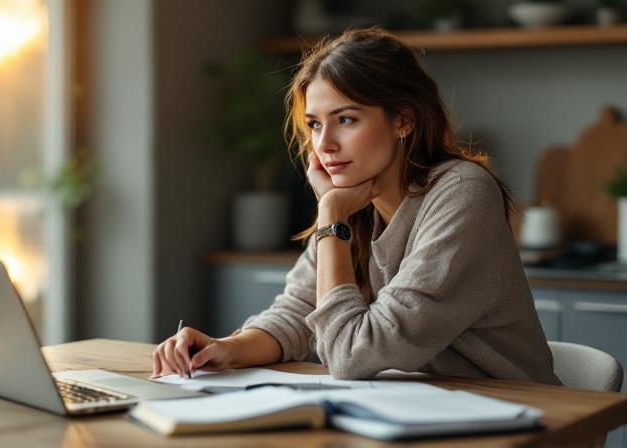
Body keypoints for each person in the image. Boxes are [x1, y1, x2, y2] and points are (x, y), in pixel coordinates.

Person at [152, 27, 561, 385]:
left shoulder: (461, 192)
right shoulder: (356, 199)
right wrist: (225, 348)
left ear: (403, 120)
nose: (324, 144)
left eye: (345, 119)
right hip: (418, 414)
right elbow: (298, 311)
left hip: (521, 418)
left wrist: (331, 215)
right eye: (315, 124)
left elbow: (352, 355)